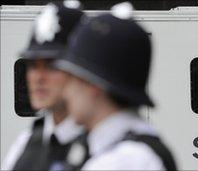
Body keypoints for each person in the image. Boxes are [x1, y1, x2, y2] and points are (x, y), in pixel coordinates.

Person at [53, 2, 177, 170]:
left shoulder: (118, 163)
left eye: (72, 80)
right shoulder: (139, 145)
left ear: (94, 85)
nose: (66, 93)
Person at [1, 1, 86, 170]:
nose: (38, 77)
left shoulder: (109, 147)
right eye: (33, 65)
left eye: (51, 65)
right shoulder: (27, 143)